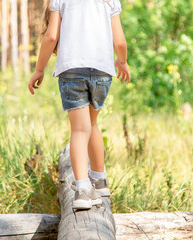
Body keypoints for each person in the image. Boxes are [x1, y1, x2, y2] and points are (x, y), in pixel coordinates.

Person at [28, 0, 130, 210]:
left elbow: (51, 37)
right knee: (92, 125)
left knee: (79, 130)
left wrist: (39, 69)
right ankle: (100, 181)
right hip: (102, 70)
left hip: (72, 70)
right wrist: (122, 61)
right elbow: (119, 41)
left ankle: (82, 188)